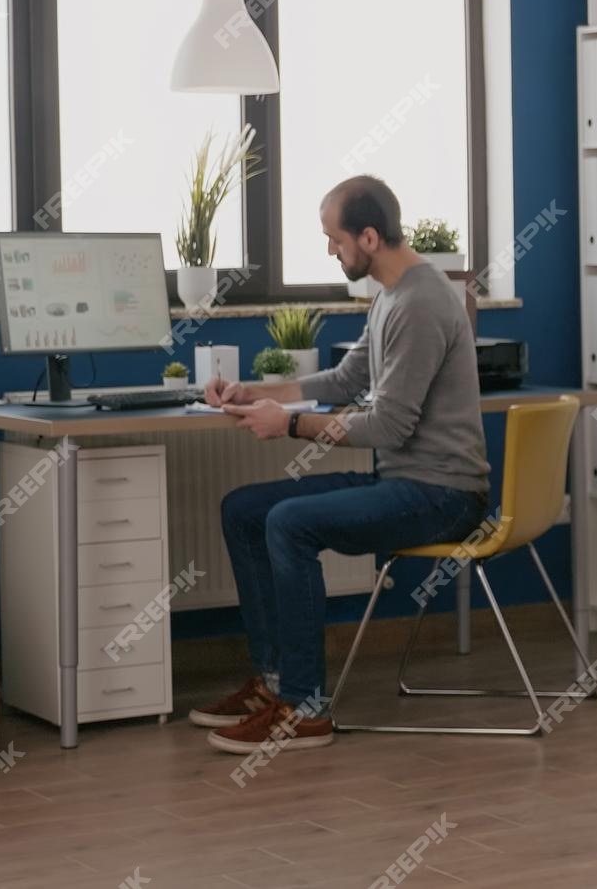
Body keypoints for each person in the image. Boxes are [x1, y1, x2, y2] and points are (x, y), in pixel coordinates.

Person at [189, 176, 492, 754]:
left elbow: (388, 426)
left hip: (444, 497)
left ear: (369, 237)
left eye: (335, 239)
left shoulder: (422, 303)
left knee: (289, 523)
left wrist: (291, 425)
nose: (331, 250)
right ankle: (276, 683)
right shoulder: (391, 295)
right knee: (245, 510)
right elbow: (348, 380)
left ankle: (304, 708)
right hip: (405, 482)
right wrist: (254, 393)